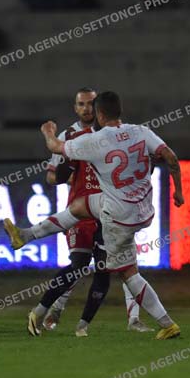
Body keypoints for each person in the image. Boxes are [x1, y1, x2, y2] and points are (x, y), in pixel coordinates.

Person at [4, 91, 184, 340]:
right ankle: (25, 235)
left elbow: (55, 147)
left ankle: (167, 324)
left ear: (99, 114)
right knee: (80, 207)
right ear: (120, 110)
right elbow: (170, 157)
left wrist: (48, 131)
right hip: (141, 208)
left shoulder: (95, 141)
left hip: (118, 216)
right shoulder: (141, 131)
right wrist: (178, 192)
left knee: (128, 273)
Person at [41, 88, 151, 336]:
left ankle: (134, 319)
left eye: (91, 103)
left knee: (125, 263)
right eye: (81, 104)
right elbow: (51, 176)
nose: (86, 109)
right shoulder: (69, 136)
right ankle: (56, 308)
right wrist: (76, 179)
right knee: (78, 264)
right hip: (82, 210)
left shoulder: (115, 134)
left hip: (113, 209)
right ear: (75, 108)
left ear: (99, 107)